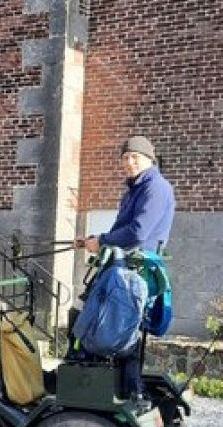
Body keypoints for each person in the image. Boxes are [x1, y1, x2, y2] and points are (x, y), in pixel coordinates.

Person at [75, 135, 175, 404]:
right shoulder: (135, 189)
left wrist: (104, 241)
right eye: (125, 158)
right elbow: (121, 230)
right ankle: (101, 377)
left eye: (135, 157)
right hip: (125, 268)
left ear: (149, 160)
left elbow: (138, 233)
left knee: (123, 328)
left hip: (136, 271)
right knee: (101, 318)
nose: (129, 162)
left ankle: (132, 390)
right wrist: (93, 240)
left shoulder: (155, 187)